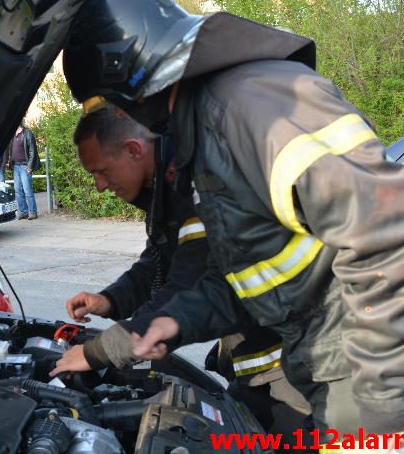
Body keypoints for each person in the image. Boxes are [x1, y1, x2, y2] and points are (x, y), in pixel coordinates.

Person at [60, 0, 404, 442]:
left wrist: (382, 416)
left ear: (130, 82)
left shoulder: (250, 111)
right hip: (351, 375)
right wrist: (111, 347)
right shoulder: (211, 131)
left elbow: (399, 242)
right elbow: (242, 281)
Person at [50, 103, 312, 439]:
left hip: (294, 366)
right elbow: (158, 264)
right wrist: (109, 300)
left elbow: (189, 291)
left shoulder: (197, 185)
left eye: (102, 171)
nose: (100, 186)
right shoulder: (168, 189)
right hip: (259, 362)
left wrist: (98, 351)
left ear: (133, 149)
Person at [10, 119, 41, 220]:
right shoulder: (12, 134)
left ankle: (33, 212)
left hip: (24, 166)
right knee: (18, 190)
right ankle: (23, 212)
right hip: (16, 166)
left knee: (27, 190)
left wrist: (30, 166)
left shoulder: (27, 133)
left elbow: (33, 151)